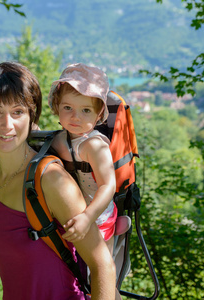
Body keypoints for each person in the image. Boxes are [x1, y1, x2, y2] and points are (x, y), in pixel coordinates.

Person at [0, 61, 116, 300]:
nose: (7, 125)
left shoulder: (51, 180)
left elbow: (103, 266)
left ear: (31, 114)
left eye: (17, 112)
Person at [48, 63, 131, 262]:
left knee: (102, 274)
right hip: (71, 215)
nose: (75, 117)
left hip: (97, 217)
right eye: (68, 108)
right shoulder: (58, 138)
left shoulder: (94, 146)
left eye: (86, 110)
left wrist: (88, 217)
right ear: (57, 106)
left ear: (98, 114)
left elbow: (107, 185)